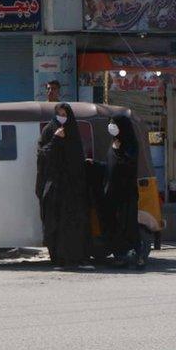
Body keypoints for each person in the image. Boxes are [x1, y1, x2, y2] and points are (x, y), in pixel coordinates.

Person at [36, 103, 93, 269]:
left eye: (65, 113)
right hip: (55, 186)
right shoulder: (49, 130)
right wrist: (55, 138)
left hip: (73, 187)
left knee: (75, 222)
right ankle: (59, 259)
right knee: (56, 223)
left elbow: (77, 157)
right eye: (59, 113)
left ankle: (77, 258)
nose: (62, 116)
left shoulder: (73, 131)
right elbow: (43, 154)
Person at [101, 116, 143, 268]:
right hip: (112, 193)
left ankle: (138, 256)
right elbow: (110, 166)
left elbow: (127, 165)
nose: (111, 126)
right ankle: (120, 256)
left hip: (126, 194)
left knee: (128, 225)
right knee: (115, 225)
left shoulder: (130, 144)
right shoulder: (114, 143)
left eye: (114, 123)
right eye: (110, 123)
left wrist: (118, 151)